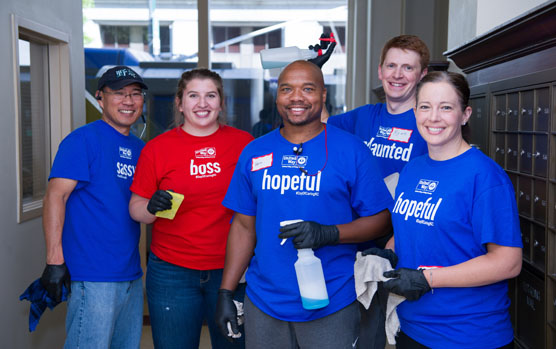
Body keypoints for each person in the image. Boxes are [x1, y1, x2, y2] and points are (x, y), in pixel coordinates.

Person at [214, 60, 393, 348]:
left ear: (323, 95)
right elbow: (244, 227)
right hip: (264, 302)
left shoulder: (351, 150)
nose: (296, 97)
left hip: (332, 300)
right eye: (287, 89)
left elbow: (382, 219)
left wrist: (329, 233)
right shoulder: (255, 151)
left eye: (307, 89)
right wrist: (225, 292)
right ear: (277, 97)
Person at [373, 71, 522, 348]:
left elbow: (508, 262)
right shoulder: (412, 169)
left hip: (467, 335)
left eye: (446, 107)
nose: (434, 117)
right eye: (426, 107)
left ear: (465, 114)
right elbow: (411, 229)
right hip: (411, 328)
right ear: (415, 111)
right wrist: (387, 253)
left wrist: (427, 279)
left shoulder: (485, 175)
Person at [129, 68, 254, 349]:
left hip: (232, 269)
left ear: (221, 102)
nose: (202, 103)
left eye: (211, 95)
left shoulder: (244, 144)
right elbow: (136, 209)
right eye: (193, 95)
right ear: (179, 103)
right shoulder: (157, 148)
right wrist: (151, 206)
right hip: (172, 272)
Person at [40, 65, 147, 348]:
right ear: (100, 98)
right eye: (119, 93)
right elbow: (55, 197)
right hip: (93, 275)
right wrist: (54, 260)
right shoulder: (82, 140)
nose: (128, 101)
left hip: (131, 275)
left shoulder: (139, 148)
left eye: (135, 94)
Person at [327, 34, 429, 179]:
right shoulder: (364, 116)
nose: (397, 75)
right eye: (391, 66)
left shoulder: (429, 122)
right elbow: (318, 125)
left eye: (408, 68)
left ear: (422, 74)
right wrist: (314, 74)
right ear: (380, 71)